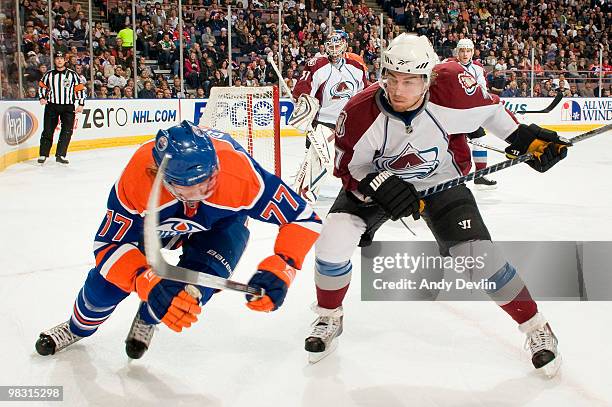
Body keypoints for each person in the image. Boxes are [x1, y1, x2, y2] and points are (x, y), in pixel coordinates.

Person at [304, 34, 568, 377]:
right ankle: (329, 316)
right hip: (379, 184)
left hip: (440, 183)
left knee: (479, 258)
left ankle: (536, 328)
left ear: (427, 78)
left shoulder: (453, 89)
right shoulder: (356, 113)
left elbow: (491, 112)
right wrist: (379, 184)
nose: (399, 90)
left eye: (410, 81)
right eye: (392, 78)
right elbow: (350, 168)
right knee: (333, 239)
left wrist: (526, 140)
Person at [35, 120, 321, 359]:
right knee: (105, 286)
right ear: (158, 175)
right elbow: (108, 245)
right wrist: (144, 280)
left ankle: (148, 317)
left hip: (219, 226)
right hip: (157, 223)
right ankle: (77, 327)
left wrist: (284, 265)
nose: (204, 191)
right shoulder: (138, 178)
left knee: (189, 294)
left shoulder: (238, 173)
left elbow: (303, 217)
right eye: (191, 185)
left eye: (209, 180)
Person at [289, 30, 369, 202]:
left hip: (348, 124)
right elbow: (304, 87)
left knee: (355, 159)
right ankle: (303, 196)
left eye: (337, 45)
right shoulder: (317, 65)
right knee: (316, 160)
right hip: (323, 123)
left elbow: (363, 93)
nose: (333, 50)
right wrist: (303, 100)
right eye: (330, 46)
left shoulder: (356, 67)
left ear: (344, 46)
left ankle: (357, 191)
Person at [446, 38, 497, 188]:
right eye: (462, 51)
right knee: (451, 146)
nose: (465, 54)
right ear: (457, 52)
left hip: (469, 114)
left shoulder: (478, 69)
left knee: (480, 139)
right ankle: (453, 178)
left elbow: (482, 90)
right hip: (452, 113)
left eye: (468, 51)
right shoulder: (449, 66)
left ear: (472, 52)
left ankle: (480, 175)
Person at [37, 51, 86, 164]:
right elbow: (42, 86)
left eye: (61, 58)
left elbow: (79, 89)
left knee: (67, 131)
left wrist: (81, 103)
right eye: (57, 58)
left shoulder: (72, 74)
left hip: (68, 107)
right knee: (48, 130)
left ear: (65, 60)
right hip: (52, 106)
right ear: (54, 60)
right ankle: (43, 154)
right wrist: (42, 97)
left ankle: (61, 155)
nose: (59, 60)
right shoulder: (48, 74)